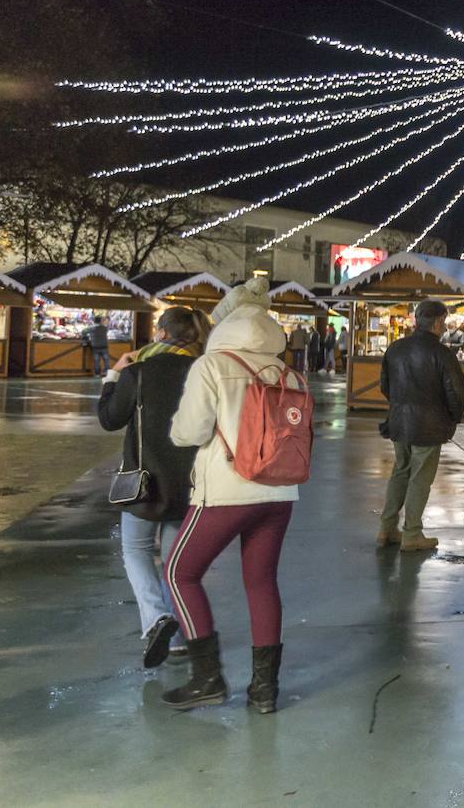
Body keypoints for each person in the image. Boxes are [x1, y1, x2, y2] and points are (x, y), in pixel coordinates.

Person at [163, 278, 304, 713]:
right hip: (280, 490)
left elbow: (189, 432)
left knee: (178, 573)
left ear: (224, 323)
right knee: (261, 580)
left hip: (226, 491)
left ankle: (207, 678)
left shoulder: (212, 365)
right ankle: (264, 690)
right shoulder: (289, 371)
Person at [97, 306, 207, 668]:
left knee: (136, 551)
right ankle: (175, 639)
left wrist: (114, 375)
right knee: (175, 564)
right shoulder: (203, 371)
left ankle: (157, 619)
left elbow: (110, 419)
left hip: (144, 485)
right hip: (190, 484)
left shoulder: (138, 371)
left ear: (161, 332)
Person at [377, 299, 464, 551]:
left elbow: (385, 386)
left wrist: (401, 406)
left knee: (400, 471)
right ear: (438, 322)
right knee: (420, 477)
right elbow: (456, 393)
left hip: (398, 421)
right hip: (428, 425)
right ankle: (412, 533)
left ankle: (386, 529)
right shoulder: (442, 353)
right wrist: (453, 416)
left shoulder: (395, 348)